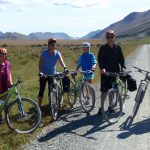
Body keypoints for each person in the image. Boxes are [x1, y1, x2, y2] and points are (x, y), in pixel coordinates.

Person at [97, 30, 126, 115]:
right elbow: (100, 59)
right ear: (106, 38)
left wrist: (123, 67)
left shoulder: (118, 48)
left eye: (111, 37)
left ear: (114, 37)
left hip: (115, 72)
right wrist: (102, 68)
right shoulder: (103, 48)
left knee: (113, 90)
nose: (110, 39)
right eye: (108, 37)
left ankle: (110, 106)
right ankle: (101, 107)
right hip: (105, 73)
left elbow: (121, 59)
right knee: (104, 91)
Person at [38, 38, 68, 107]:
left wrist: (65, 67)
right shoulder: (44, 53)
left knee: (51, 91)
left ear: (55, 45)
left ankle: (51, 105)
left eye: (54, 44)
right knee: (41, 90)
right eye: (51, 44)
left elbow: (61, 61)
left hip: (52, 75)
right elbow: (40, 63)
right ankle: (39, 106)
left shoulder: (57, 53)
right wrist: (40, 72)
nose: (52, 46)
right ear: (48, 45)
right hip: (44, 75)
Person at [0, 47, 13, 123]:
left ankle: (6, 118)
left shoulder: (7, 63)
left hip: (6, 86)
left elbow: (9, 73)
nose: (2, 56)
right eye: (1, 54)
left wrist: (10, 81)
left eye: (4, 54)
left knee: (5, 103)